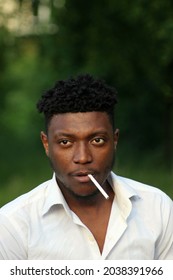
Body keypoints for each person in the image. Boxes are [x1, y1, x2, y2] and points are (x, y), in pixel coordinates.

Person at [0, 74, 172, 260]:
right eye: (65, 142)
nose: (83, 157)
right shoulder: (13, 225)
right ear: (46, 144)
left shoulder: (158, 209)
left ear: (114, 140)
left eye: (97, 140)